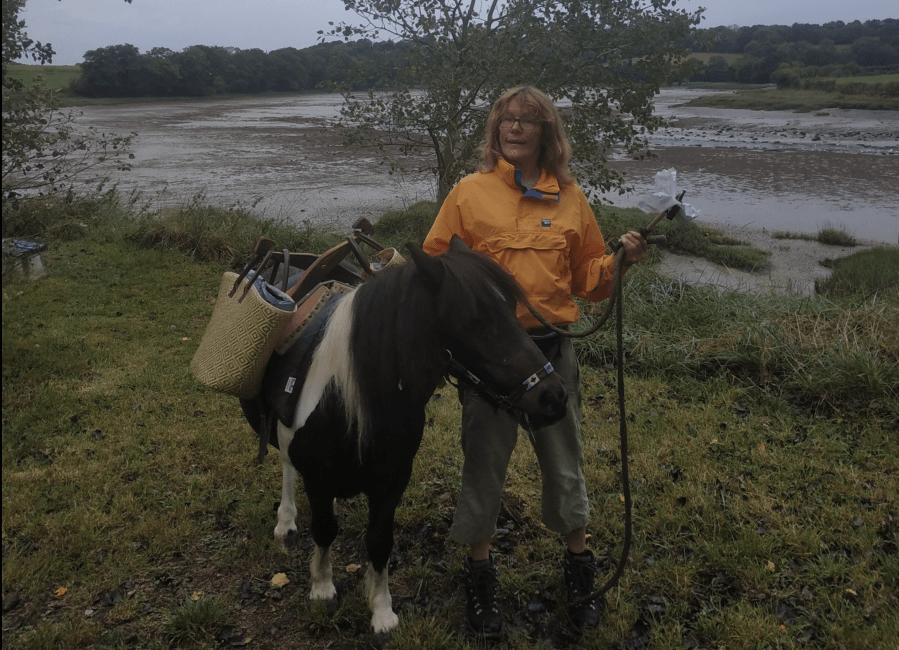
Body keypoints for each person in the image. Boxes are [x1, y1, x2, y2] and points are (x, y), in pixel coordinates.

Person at [422, 86, 647, 638]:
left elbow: (588, 280)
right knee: (483, 466)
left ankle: (579, 574)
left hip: (550, 355)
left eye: (527, 121)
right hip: (490, 365)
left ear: (548, 134)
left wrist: (619, 261)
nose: (514, 129)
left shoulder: (571, 199)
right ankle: (479, 581)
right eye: (506, 121)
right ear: (495, 131)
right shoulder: (468, 194)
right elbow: (434, 269)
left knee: (564, 463)